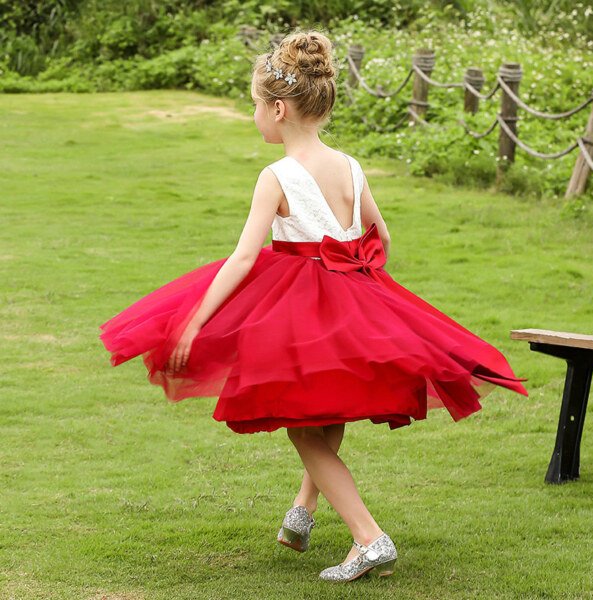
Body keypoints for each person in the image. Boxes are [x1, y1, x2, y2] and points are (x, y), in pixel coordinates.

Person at [98, 28, 529, 583]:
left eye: (254, 105)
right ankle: (302, 513)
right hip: (353, 295)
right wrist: (365, 288)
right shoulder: (349, 165)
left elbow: (243, 258)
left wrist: (195, 319)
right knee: (324, 408)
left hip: (300, 306)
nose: (254, 115)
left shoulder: (275, 175)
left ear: (278, 108)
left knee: (303, 425)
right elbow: (383, 238)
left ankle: (369, 538)